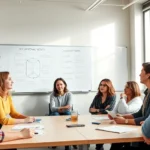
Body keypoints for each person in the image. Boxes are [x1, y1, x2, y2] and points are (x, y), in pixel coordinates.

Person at [110, 62, 150, 150]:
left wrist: (125, 121)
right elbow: (140, 113)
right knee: (116, 143)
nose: (139, 74)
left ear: (148, 75)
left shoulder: (140, 98)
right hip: (143, 131)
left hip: (146, 136)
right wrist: (122, 117)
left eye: (142, 71)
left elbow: (146, 118)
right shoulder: (147, 92)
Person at [89, 78, 116, 150]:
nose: (102, 87)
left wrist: (97, 110)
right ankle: (99, 147)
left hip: (107, 119)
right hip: (96, 119)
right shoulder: (97, 96)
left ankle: (99, 147)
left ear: (109, 86)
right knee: (97, 137)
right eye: (101, 85)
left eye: (104, 85)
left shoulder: (112, 96)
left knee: (101, 136)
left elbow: (108, 110)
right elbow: (90, 109)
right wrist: (102, 110)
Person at [50, 78, 73, 150]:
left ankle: (67, 143)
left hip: (66, 112)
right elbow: (52, 109)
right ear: (55, 86)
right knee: (56, 114)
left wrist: (59, 108)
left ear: (64, 85)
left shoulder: (69, 94)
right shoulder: (52, 95)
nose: (59, 86)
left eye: (61, 84)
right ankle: (56, 140)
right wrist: (63, 108)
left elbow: (69, 107)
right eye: (57, 85)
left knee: (68, 113)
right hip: (55, 113)